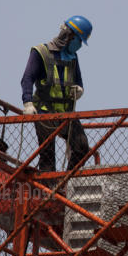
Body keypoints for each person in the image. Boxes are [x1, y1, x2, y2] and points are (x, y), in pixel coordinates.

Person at [20, 16, 93, 172]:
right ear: (69, 35)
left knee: (81, 146)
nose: (79, 46)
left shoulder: (72, 57)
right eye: (78, 41)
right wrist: (27, 102)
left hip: (66, 114)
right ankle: (49, 189)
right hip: (44, 112)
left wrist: (79, 89)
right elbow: (27, 78)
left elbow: (78, 81)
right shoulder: (41, 52)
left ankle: (66, 181)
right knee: (47, 155)